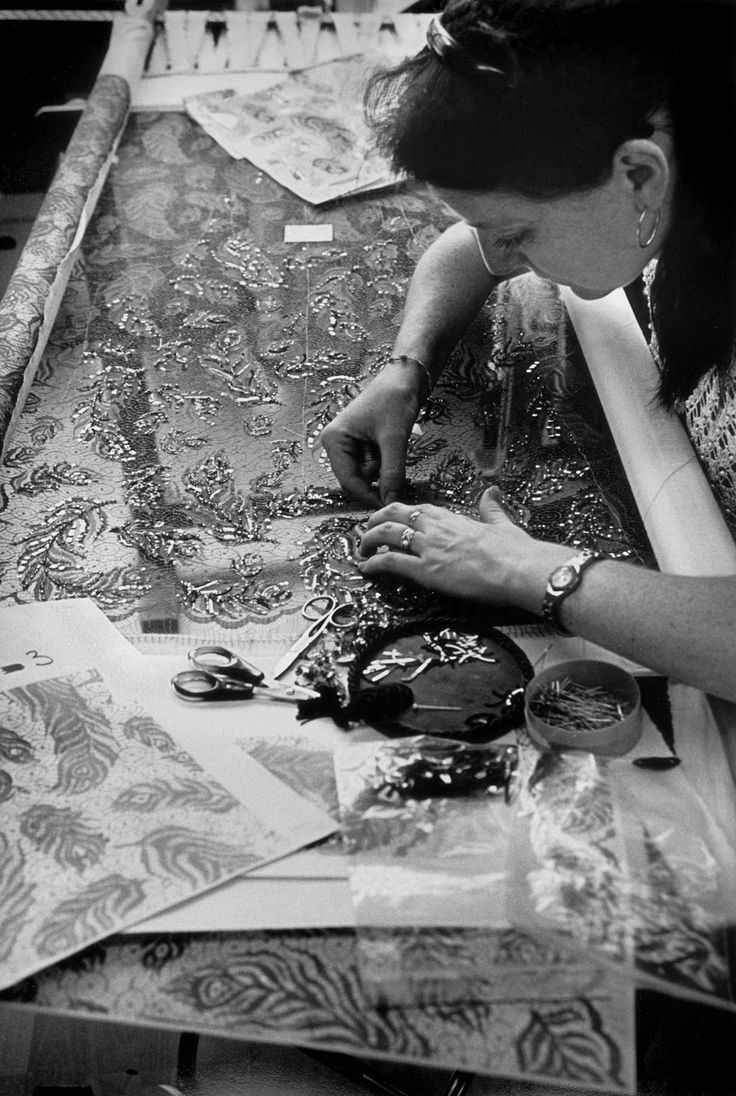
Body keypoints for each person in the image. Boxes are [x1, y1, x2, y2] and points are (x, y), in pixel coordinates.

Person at [319, 0, 736, 704]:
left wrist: (527, 568)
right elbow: (474, 248)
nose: (498, 253)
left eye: (518, 232)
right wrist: (407, 370)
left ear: (639, 176)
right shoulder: (680, 150)